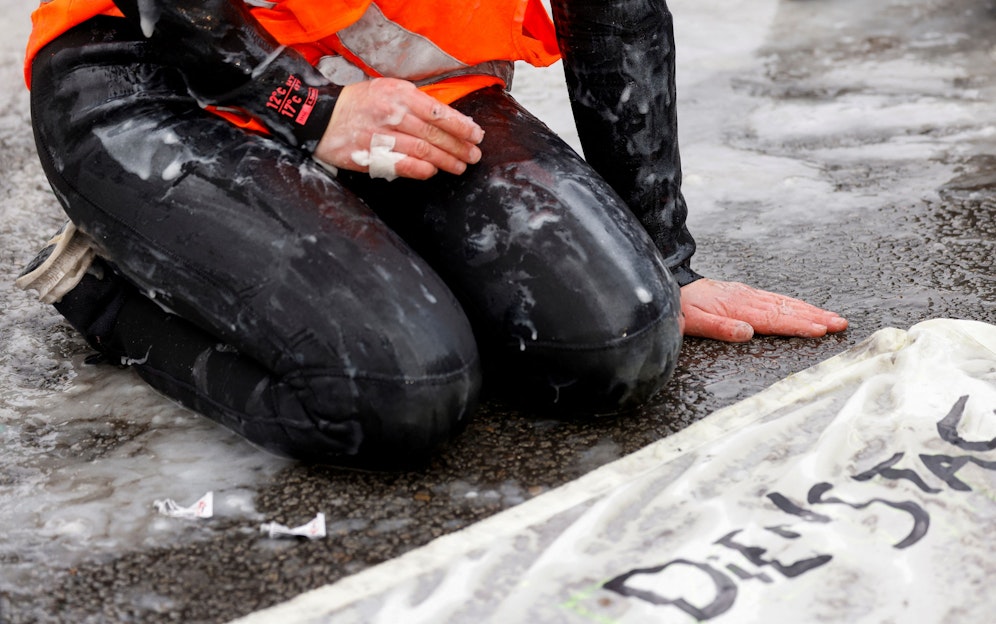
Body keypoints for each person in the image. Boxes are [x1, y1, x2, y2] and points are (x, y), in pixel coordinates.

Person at [16, 0, 847, 470]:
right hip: (167, 83)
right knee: (392, 391)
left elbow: (614, 10)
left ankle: (350, 237)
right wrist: (310, 107)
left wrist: (670, 262)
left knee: (616, 344)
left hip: (399, 78)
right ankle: (106, 286)